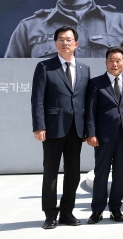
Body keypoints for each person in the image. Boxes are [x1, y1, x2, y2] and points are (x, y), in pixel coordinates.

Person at [31, 26, 91, 229]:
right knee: (50, 172)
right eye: (61, 39)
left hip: (76, 129)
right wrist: (39, 126)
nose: (65, 43)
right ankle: (50, 214)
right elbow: (37, 99)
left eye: (69, 39)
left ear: (76, 43)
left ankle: (67, 212)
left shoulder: (84, 69)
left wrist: (87, 129)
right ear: (55, 43)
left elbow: (85, 101)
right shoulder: (45, 67)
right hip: (53, 128)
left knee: (73, 173)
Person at [85, 47, 123, 224]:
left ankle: (115, 209)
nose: (114, 64)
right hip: (103, 136)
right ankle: (97, 211)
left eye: (118, 60)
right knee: (101, 173)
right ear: (106, 62)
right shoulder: (96, 83)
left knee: (120, 174)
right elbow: (90, 111)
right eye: (111, 60)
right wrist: (91, 133)